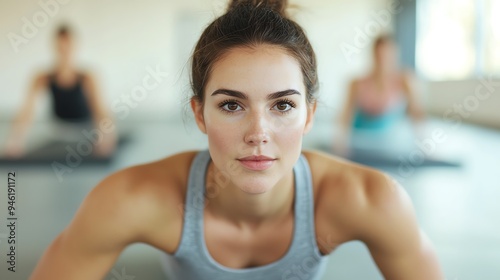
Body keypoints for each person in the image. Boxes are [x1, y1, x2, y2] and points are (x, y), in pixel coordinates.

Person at [30, 1, 443, 279]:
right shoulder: (129, 199)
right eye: (231, 106)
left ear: (310, 115)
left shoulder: (373, 199)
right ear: (199, 114)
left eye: (282, 106)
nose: (258, 134)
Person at [4, 25, 116, 158]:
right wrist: (16, 139)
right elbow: (27, 111)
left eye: (67, 47)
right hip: (59, 132)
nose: (64, 52)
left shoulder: (87, 77)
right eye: (61, 48)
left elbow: (100, 111)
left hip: (86, 132)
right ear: (55, 48)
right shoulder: (43, 77)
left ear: (74, 47)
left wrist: (106, 136)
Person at [335, 35, 425, 156]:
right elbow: (345, 115)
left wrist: (423, 142)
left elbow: (416, 113)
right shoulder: (356, 83)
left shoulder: (405, 80)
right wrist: (340, 142)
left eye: (388, 55)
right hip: (361, 139)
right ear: (373, 55)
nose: (383, 60)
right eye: (380, 55)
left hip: (390, 140)